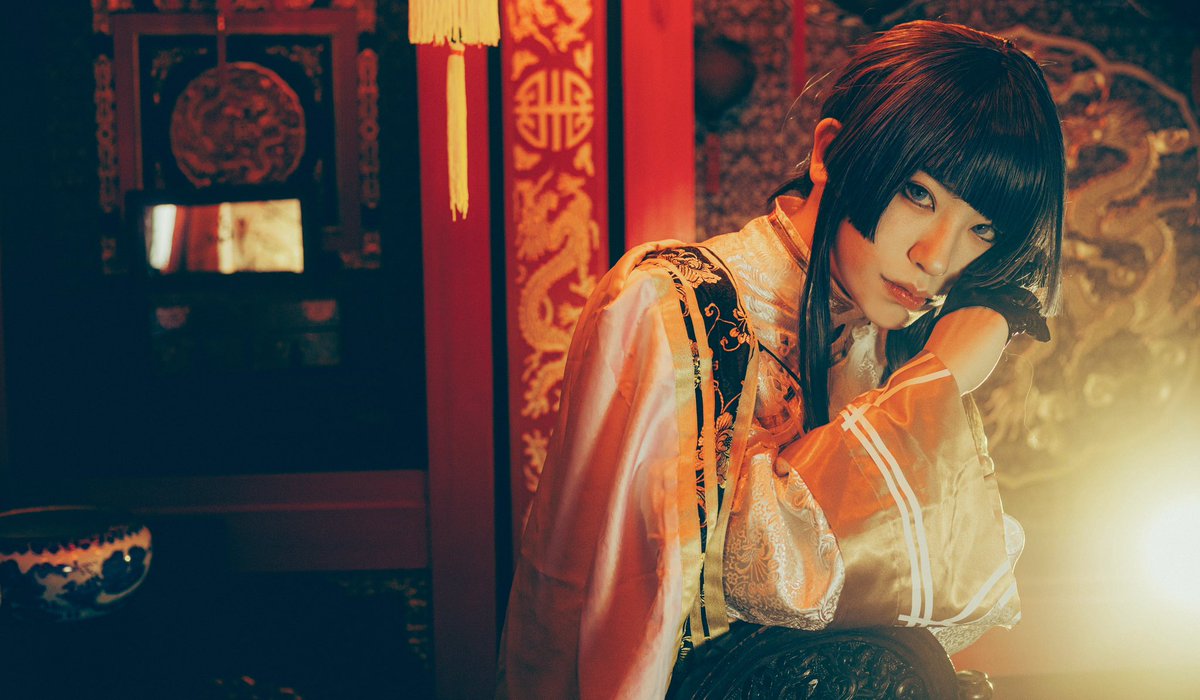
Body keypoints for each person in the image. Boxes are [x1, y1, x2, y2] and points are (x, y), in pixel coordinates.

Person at [498, 20, 1065, 699]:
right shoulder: (672, 302)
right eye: (919, 194)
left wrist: (931, 379)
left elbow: (955, 598)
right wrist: (935, 387)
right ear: (829, 150)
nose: (936, 258)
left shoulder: (904, 343)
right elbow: (734, 576)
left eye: (981, 228)